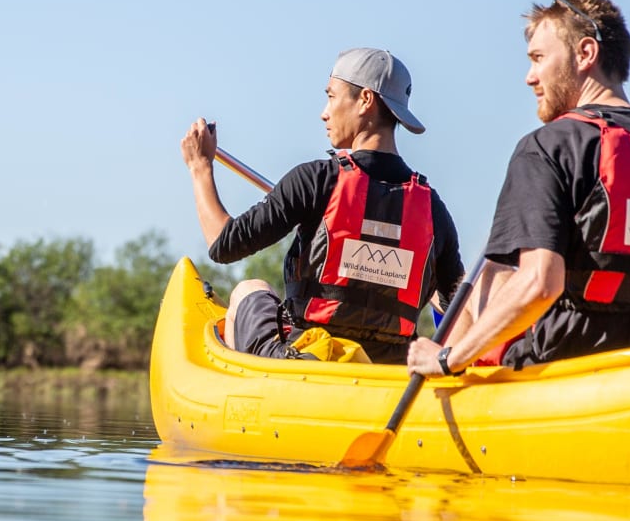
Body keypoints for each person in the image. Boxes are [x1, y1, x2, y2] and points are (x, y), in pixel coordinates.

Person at [408, 0, 630, 376]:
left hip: (564, 366)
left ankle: (438, 395)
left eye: (539, 58)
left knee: (492, 272)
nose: (530, 77)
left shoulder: (550, 144)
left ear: (586, 53)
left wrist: (447, 358)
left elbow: (540, 282)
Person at [180, 49, 465, 367]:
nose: (324, 113)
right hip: (389, 371)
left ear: (365, 100)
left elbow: (223, 244)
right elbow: (460, 305)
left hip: (310, 363)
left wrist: (200, 167)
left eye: (331, 97)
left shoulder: (316, 180)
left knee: (250, 288)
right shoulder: (431, 207)